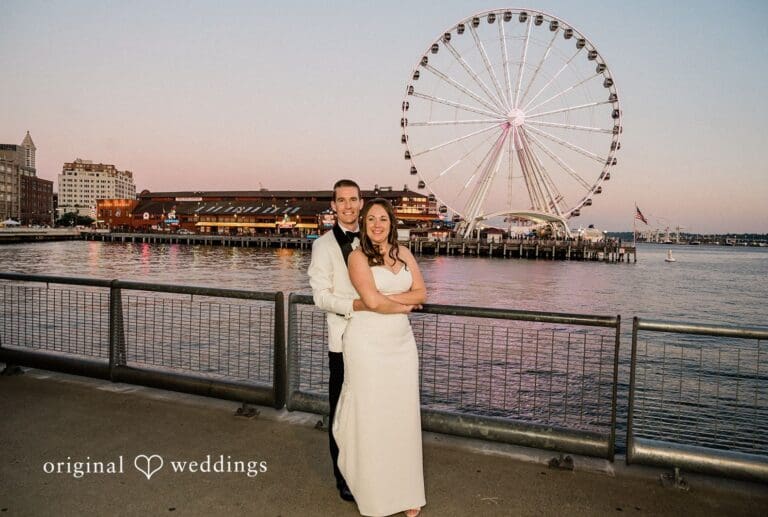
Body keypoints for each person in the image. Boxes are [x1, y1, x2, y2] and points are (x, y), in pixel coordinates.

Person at [333, 198, 426, 517]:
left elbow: (422, 293)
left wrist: (391, 302)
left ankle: (407, 491)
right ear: (364, 224)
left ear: (391, 223)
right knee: (372, 416)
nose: (377, 224)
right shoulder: (357, 257)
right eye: (371, 219)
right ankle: (374, 494)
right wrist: (405, 306)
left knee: (402, 417)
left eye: (382, 219)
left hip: (401, 344)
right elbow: (371, 301)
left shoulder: (405, 254)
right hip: (367, 344)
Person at [307, 179, 365, 502]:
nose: (347, 205)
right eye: (341, 200)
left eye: (352, 199)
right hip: (342, 341)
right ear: (333, 205)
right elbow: (320, 297)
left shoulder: (373, 241)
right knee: (340, 411)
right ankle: (342, 476)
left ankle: (367, 471)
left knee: (368, 410)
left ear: (361, 202)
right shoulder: (322, 246)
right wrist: (355, 307)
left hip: (373, 340)